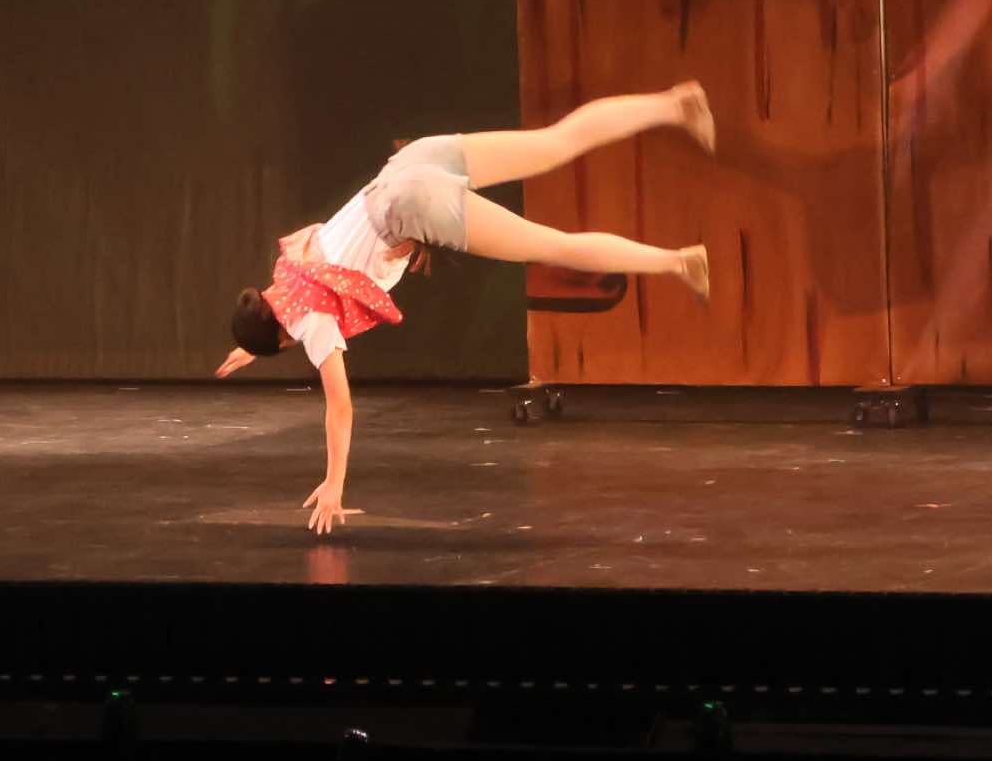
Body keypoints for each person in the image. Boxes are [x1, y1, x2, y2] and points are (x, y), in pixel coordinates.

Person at [217, 84, 717, 533]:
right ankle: (675, 105)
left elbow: (340, 406)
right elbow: (276, 310)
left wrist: (333, 483)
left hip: (416, 205)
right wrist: (251, 347)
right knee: (556, 141)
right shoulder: (290, 269)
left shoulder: (310, 322)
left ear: (283, 335)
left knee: (555, 247)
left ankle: (679, 262)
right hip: (408, 165)